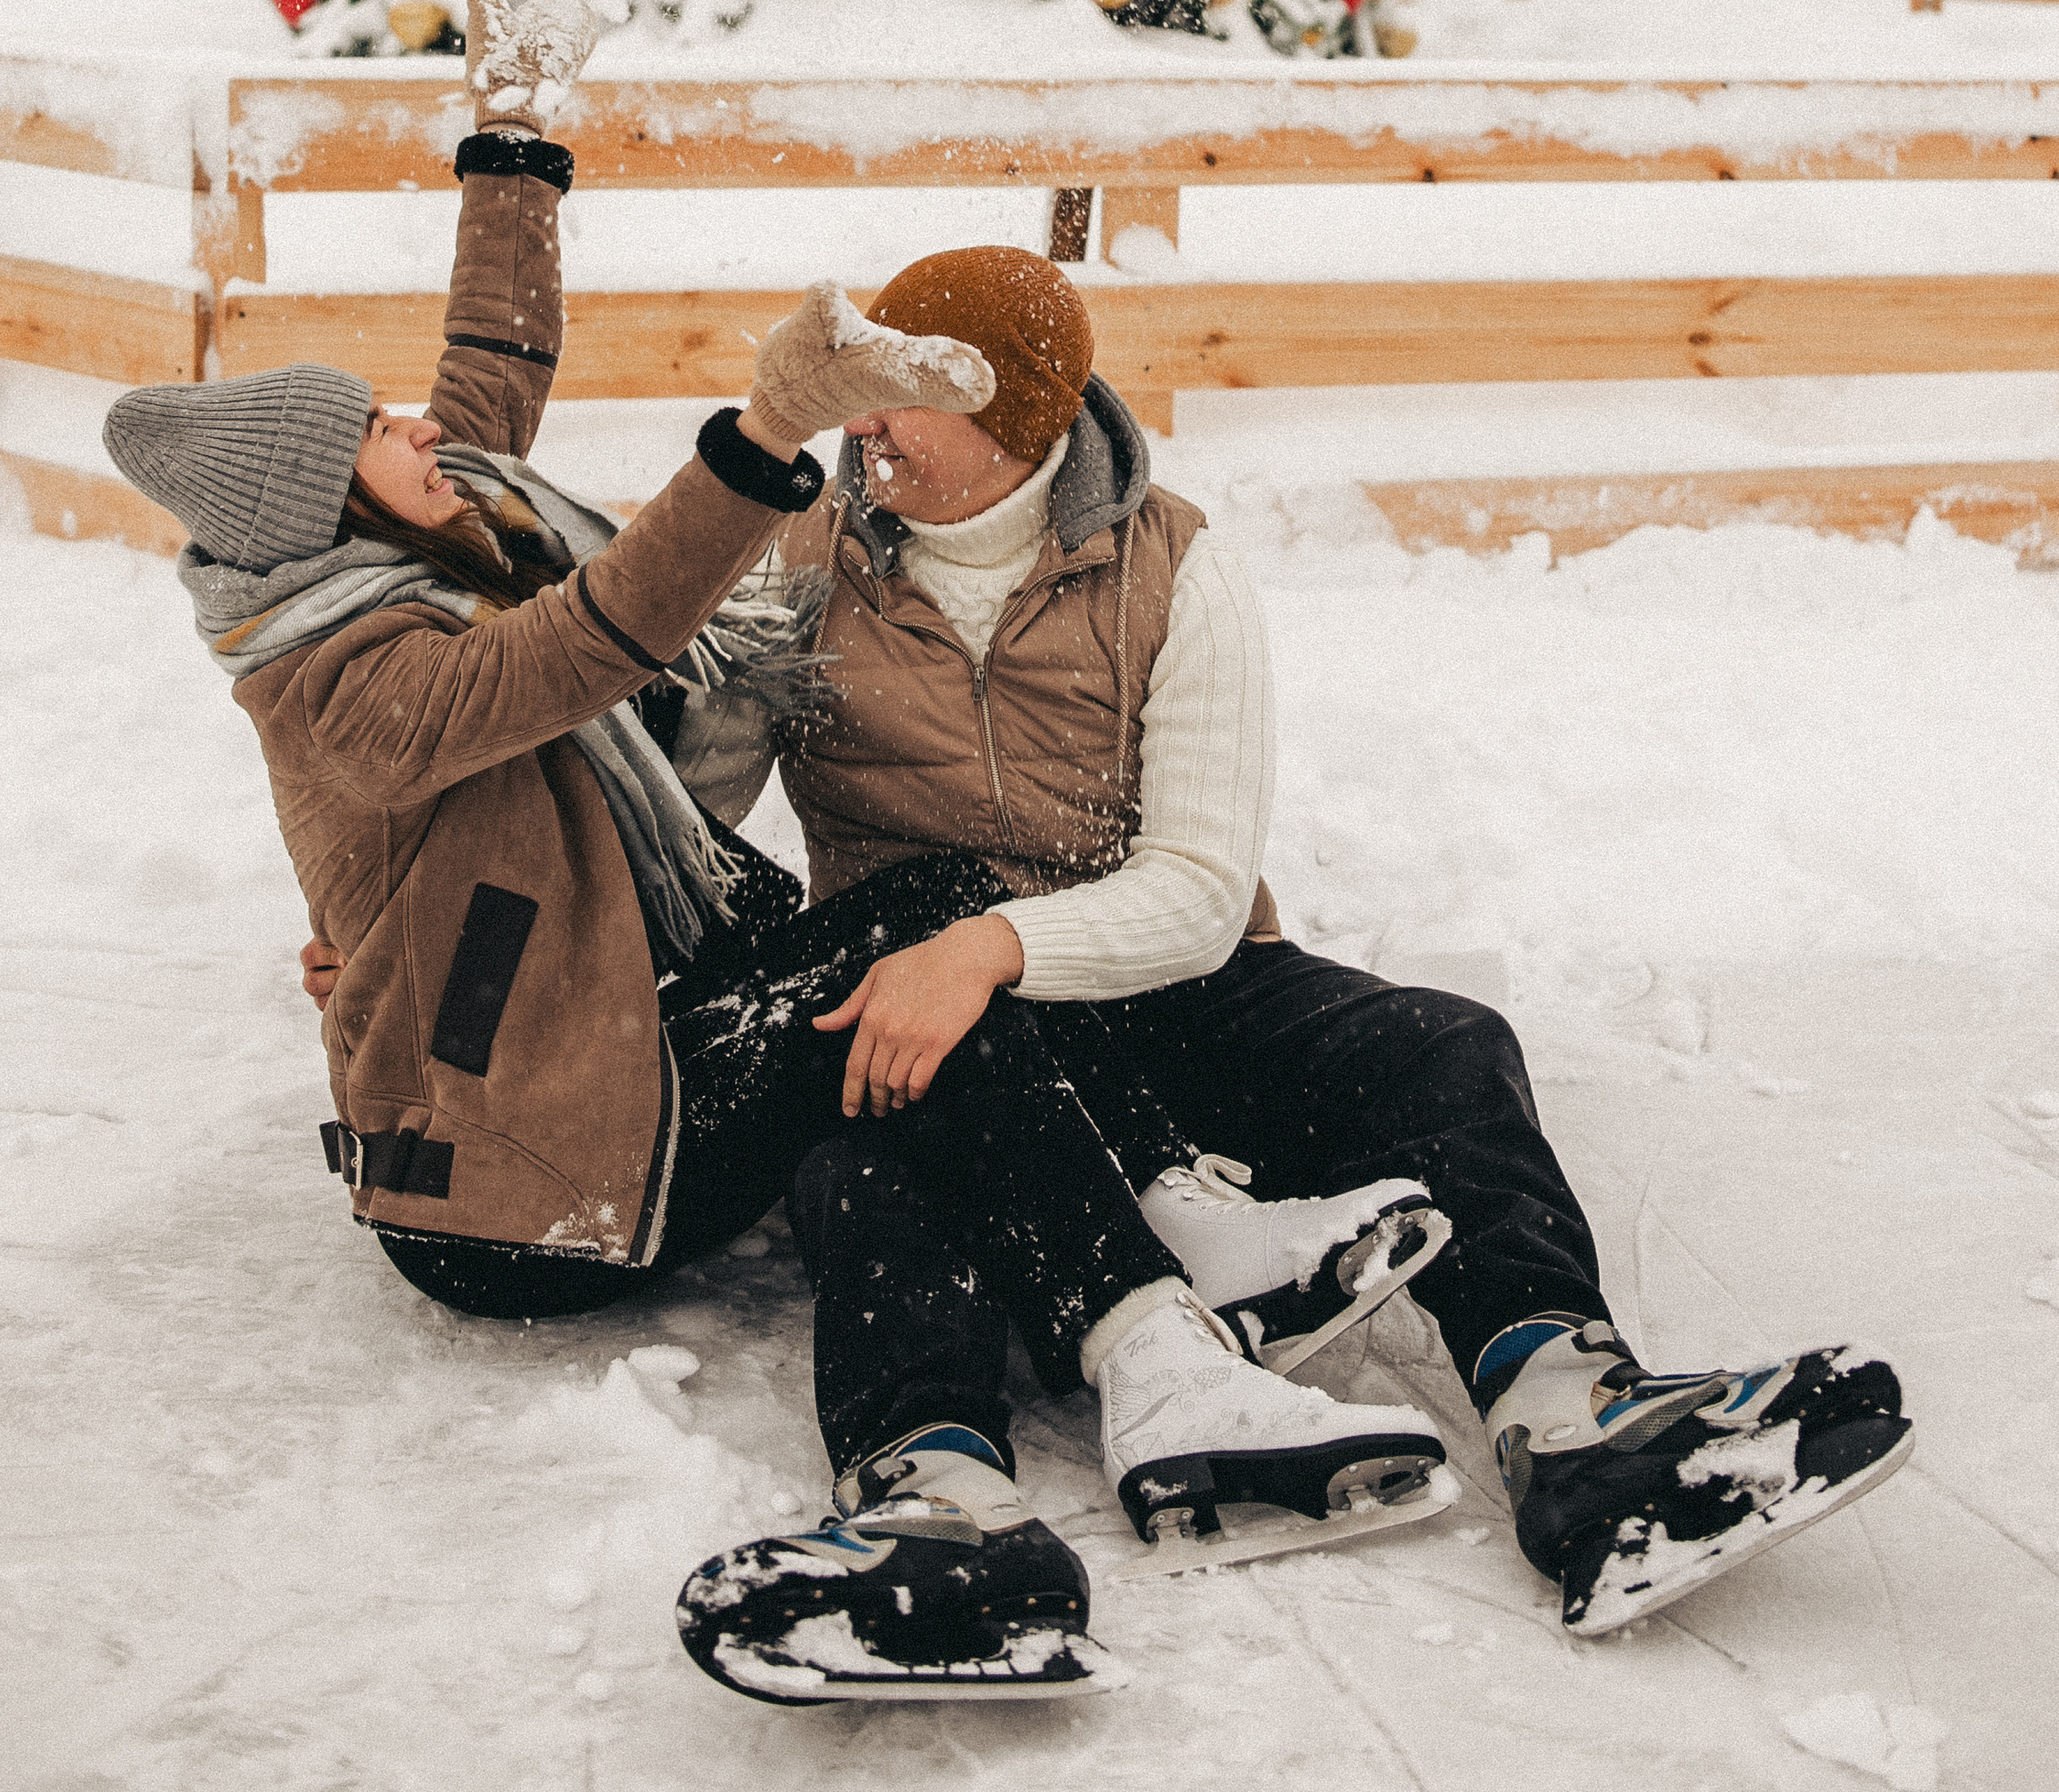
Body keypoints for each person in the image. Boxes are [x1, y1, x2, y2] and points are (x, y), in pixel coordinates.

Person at [111, 0, 1454, 1703]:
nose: (420, 431)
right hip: (523, 1195)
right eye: (376, 438)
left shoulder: (445, 532)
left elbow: (488, 367)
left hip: (595, 1044)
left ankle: (1156, 1314)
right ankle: (1159, 1306)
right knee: (933, 937)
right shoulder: (353, 678)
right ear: (325, 515)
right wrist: (761, 438)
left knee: (934, 951)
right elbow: (590, 646)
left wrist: (513, 134)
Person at [671, 241, 1914, 1642]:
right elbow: (678, 826)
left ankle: (1573, 1418)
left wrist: (996, 944)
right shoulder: (792, 563)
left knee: (1445, 1047)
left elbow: (1198, 890)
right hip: (947, 1021)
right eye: (860, 384)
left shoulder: (1173, 565)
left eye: (901, 392)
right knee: (864, 1154)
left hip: (1165, 981)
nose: (863, 419)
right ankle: (932, 1499)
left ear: (1016, 421)